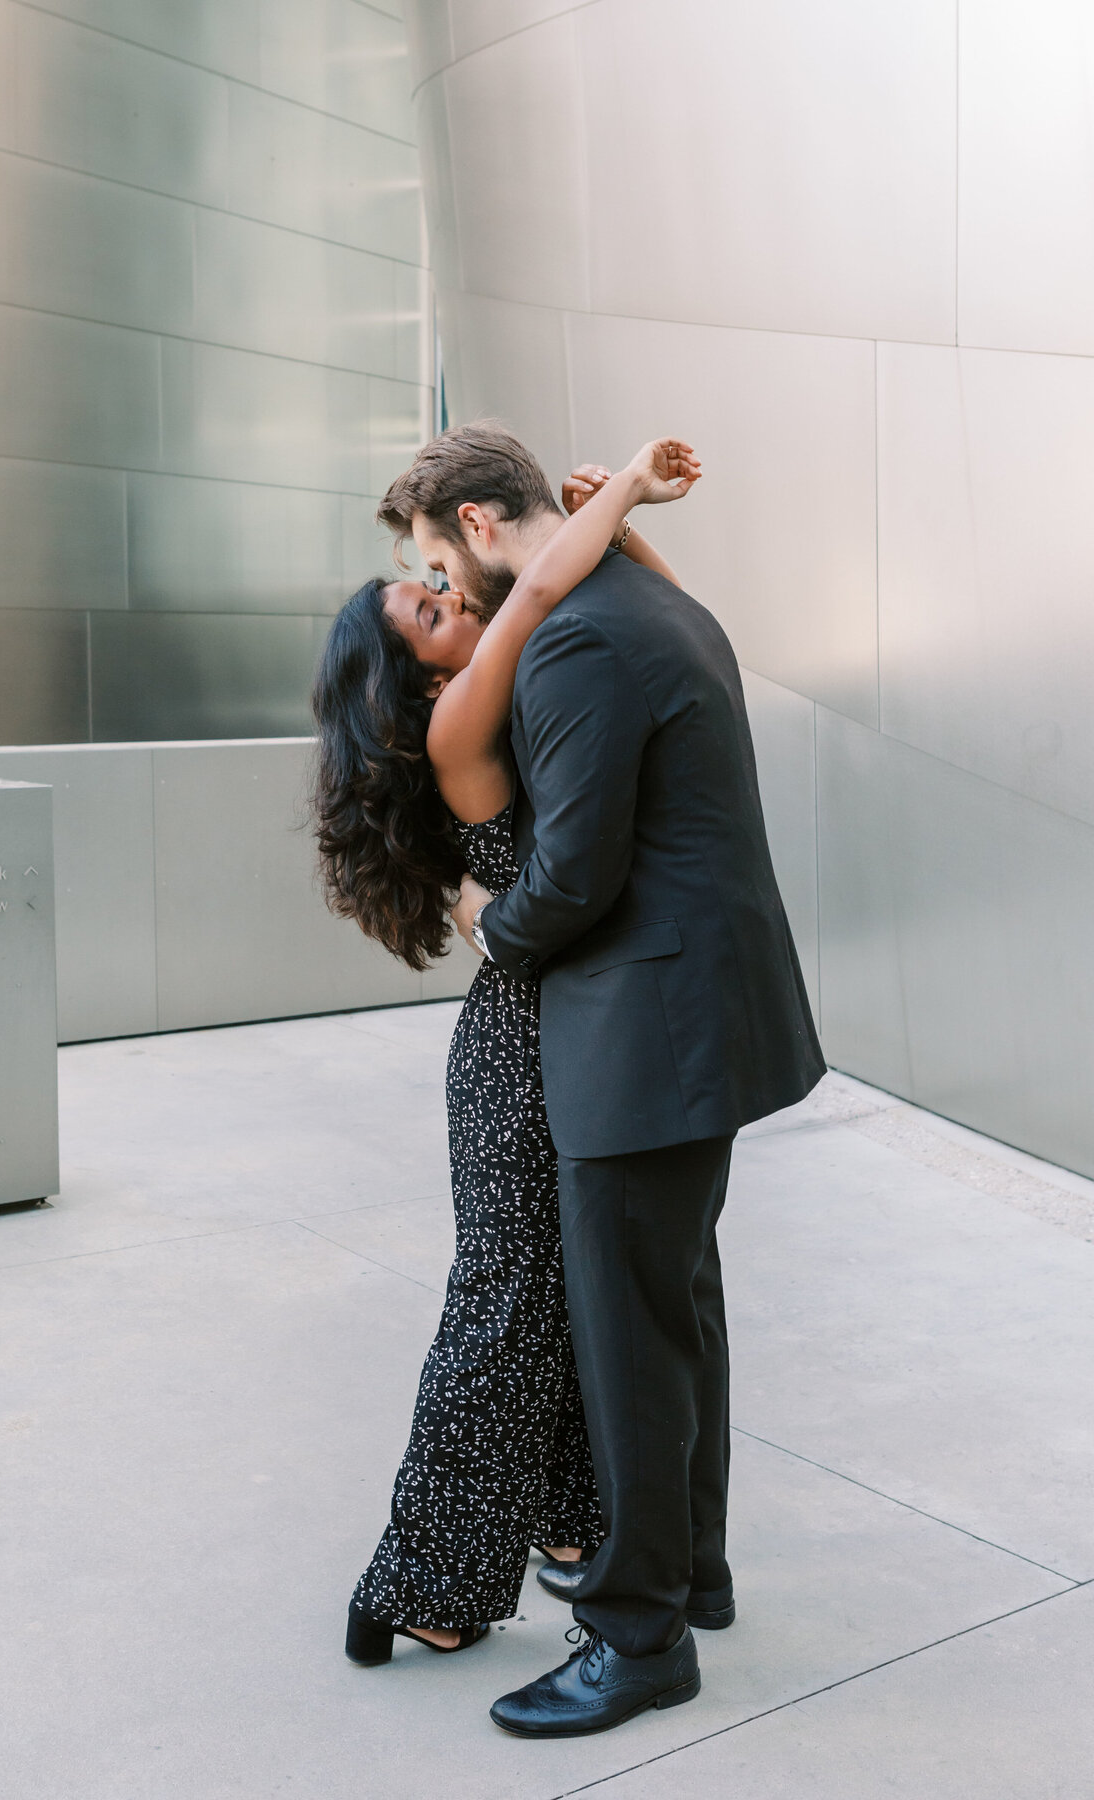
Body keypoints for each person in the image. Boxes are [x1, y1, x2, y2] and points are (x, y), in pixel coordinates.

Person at [377, 422, 826, 1738]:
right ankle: (690, 1568)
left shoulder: (572, 640)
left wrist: (480, 918)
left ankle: (637, 1638)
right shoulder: (652, 602)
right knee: (675, 1306)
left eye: (433, 564)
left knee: (629, 1339)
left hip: (644, 1031)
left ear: (471, 523)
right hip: (704, 1016)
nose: (445, 593)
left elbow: (570, 877)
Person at [312, 435, 701, 1669]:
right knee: (510, 1309)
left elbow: (655, 627)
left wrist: (623, 532)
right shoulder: (463, 712)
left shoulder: (507, 681)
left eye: (441, 580)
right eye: (430, 606)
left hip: (546, 1023)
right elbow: (536, 585)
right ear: (412, 679)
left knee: (559, 1305)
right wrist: (628, 491)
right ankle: (421, 1579)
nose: (456, 600)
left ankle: (584, 1529)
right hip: (520, 1045)